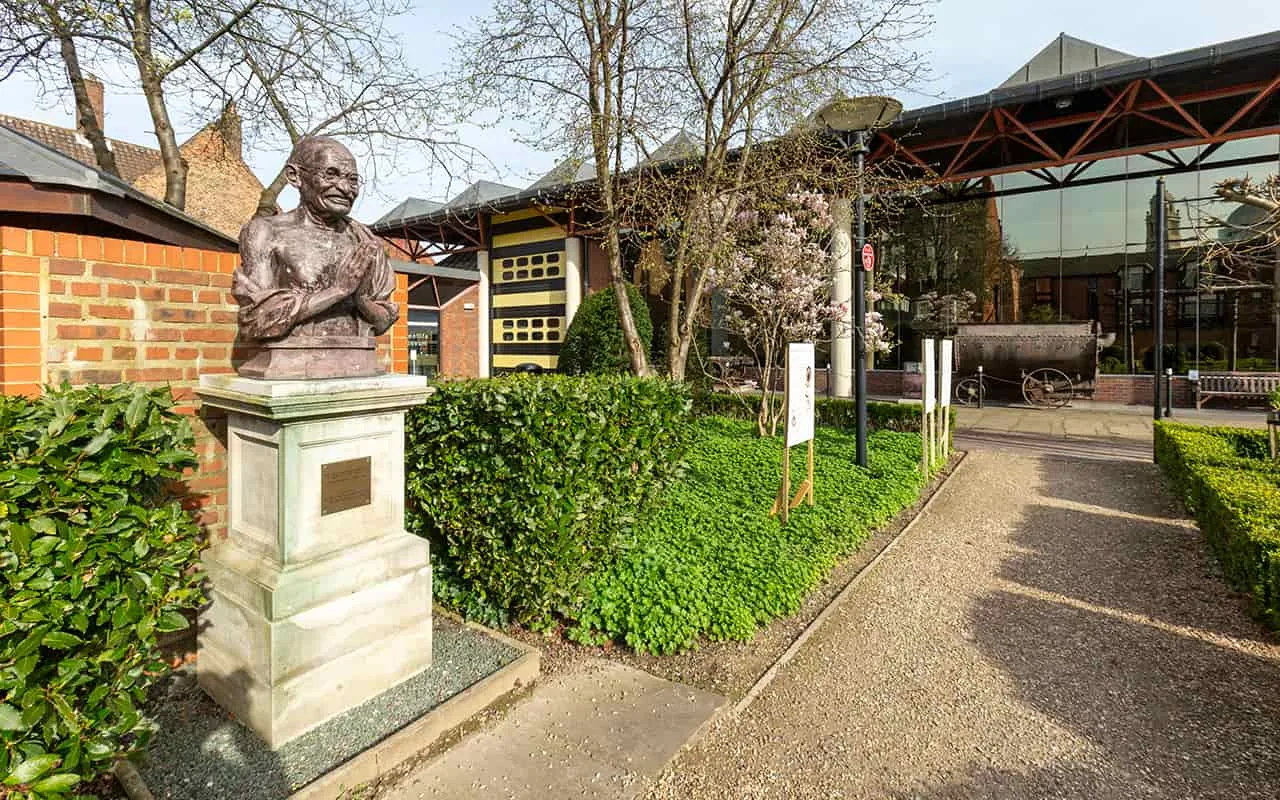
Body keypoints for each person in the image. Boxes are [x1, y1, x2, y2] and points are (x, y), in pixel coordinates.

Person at [232, 137, 398, 373]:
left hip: (358, 365)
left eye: (352, 179)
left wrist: (360, 300)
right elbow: (257, 319)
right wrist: (338, 291)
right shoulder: (265, 232)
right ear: (295, 176)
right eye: (330, 174)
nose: (344, 188)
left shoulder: (365, 242)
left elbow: (383, 321)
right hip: (290, 367)